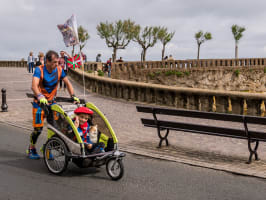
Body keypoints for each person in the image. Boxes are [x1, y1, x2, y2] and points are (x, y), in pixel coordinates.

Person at [27, 50, 80, 159]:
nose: (57, 64)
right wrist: (40, 96)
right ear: (47, 61)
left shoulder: (59, 70)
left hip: (52, 104)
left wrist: (73, 95)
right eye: (54, 62)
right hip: (39, 104)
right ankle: (31, 148)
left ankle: (47, 148)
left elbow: (68, 83)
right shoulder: (39, 70)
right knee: (38, 129)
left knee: (55, 129)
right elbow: (34, 86)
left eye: (58, 62)